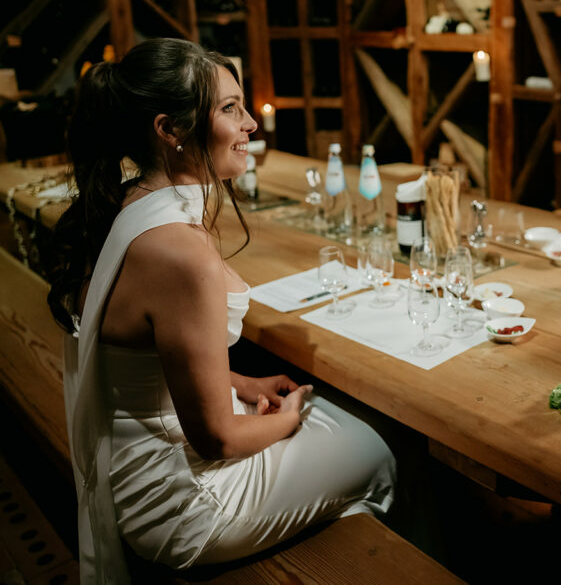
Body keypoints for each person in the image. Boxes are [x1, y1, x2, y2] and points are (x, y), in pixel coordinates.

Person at [47, 39, 395, 582]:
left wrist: (241, 382)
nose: (251, 123)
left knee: (336, 421)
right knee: (378, 449)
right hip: (181, 503)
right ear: (171, 129)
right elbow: (219, 439)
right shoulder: (180, 254)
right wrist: (288, 419)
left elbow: (146, 354)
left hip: (133, 461)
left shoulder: (126, 201)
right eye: (230, 109)